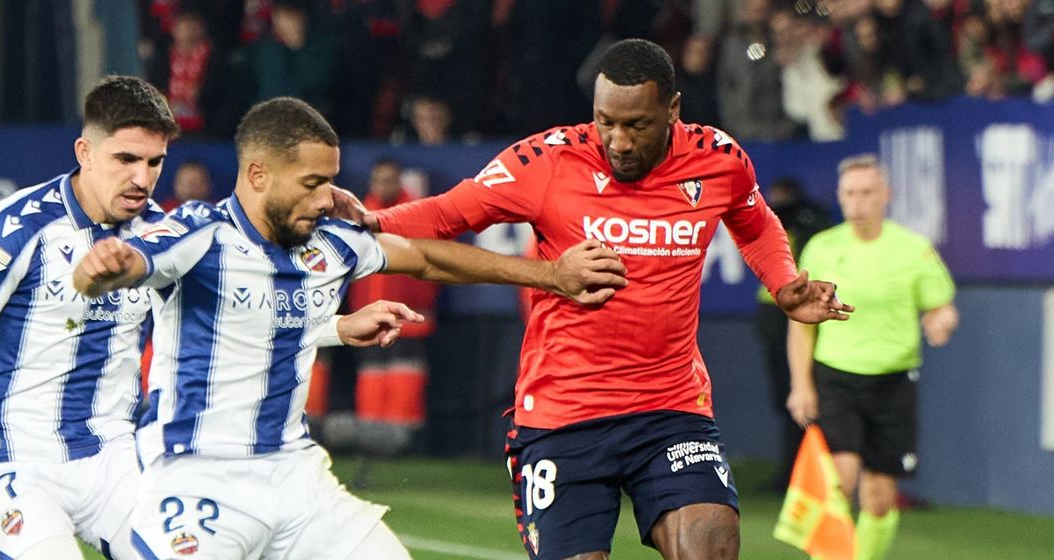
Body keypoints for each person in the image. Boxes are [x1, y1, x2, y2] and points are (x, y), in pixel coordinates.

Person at [344, 38, 853, 559]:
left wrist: (783, 282)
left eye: (637, 125)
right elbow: (449, 214)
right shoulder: (547, 159)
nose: (619, 141)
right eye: (606, 121)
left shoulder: (718, 159)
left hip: (670, 406)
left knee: (712, 547)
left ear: (673, 110)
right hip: (564, 416)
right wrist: (372, 221)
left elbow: (755, 221)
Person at [71, 96, 628, 559]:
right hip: (196, 480)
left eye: (331, 181)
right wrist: (103, 271)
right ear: (259, 175)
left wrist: (550, 275)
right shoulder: (199, 233)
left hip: (296, 476)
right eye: (312, 182)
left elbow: (429, 259)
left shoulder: (329, 243)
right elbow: (131, 264)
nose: (327, 198)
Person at [0, 75, 179, 560]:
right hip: (13, 459)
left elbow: (233, 316)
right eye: (125, 159)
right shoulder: (21, 226)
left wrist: (338, 330)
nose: (142, 178)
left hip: (112, 457)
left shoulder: (160, 235)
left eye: (154, 162)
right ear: (85, 151)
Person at [786, 154, 958, 560]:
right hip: (837, 376)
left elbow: (942, 304)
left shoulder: (913, 249)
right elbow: (801, 324)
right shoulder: (822, 248)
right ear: (839, 198)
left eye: (866, 193)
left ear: (886, 195)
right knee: (840, 480)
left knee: (879, 497)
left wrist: (942, 322)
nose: (857, 203)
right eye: (849, 194)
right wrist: (800, 383)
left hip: (894, 380)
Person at [347, 158, 439, 483]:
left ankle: (404, 464)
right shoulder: (357, 217)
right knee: (371, 392)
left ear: (398, 181)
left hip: (410, 322)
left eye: (389, 180)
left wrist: (421, 307)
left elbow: (432, 265)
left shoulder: (413, 215)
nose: (383, 185)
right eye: (378, 179)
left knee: (404, 394)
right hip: (371, 322)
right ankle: (369, 464)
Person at [753, 177, 830, 492]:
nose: (777, 202)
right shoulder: (770, 222)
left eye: (782, 197)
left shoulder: (807, 225)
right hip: (774, 314)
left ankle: (804, 476)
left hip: (798, 309)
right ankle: (793, 474)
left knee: (804, 394)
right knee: (788, 398)